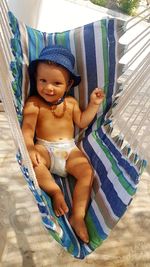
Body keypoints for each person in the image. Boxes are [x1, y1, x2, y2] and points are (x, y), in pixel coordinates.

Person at [22, 45, 105, 243]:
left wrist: (93, 104)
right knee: (34, 162)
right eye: (42, 80)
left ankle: (77, 216)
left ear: (68, 85)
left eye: (56, 83)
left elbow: (82, 122)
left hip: (69, 149)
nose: (48, 87)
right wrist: (30, 147)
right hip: (45, 147)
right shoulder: (34, 103)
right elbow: (27, 130)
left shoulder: (71, 104)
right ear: (35, 80)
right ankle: (55, 191)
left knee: (87, 173)